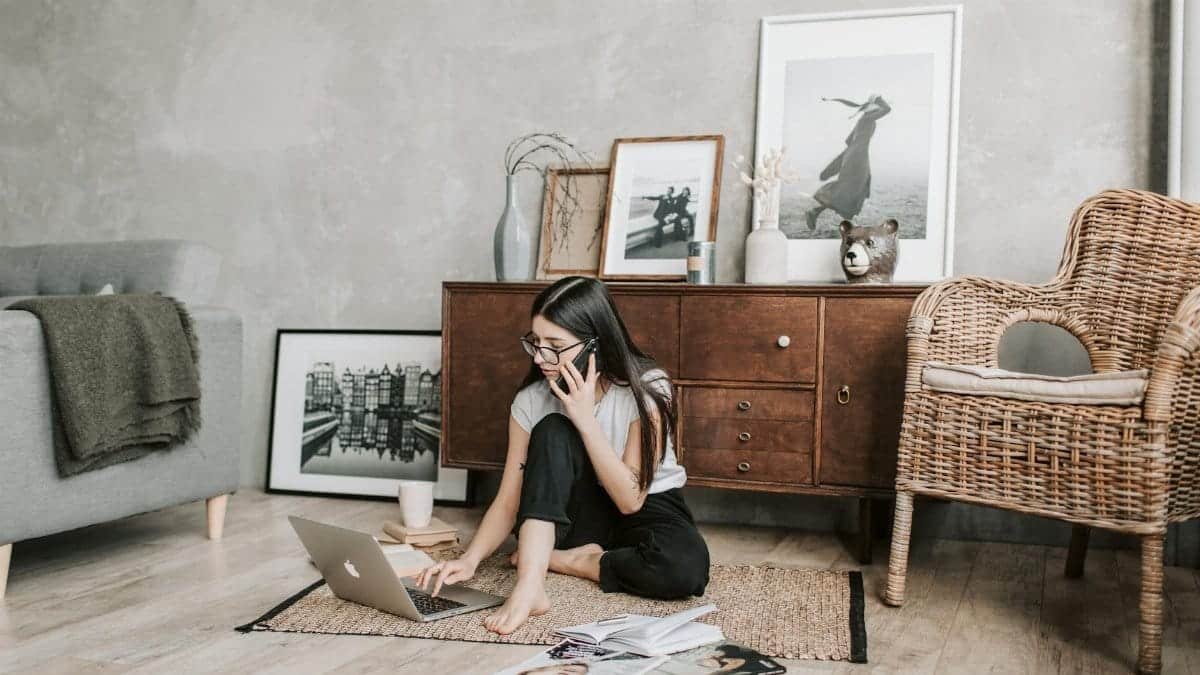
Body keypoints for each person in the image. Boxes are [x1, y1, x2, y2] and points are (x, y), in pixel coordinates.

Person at [416, 276, 709, 635]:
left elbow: (631, 500)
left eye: (555, 345)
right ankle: (530, 585)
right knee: (554, 427)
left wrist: (586, 420)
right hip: (576, 510)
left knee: (684, 569)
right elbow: (509, 500)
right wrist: (470, 559)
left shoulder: (647, 390)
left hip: (648, 504)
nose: (540, 356)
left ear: (594, 343)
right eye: (535, 342)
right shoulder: (531, 401)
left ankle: (573, 560)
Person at [804, 94, 892, 230]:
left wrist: (849, 154)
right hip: (858, 156)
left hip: (855, 155)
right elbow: (887, 109)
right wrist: (879, 99)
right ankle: (818, 213)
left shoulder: (863, 120)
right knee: (854, 188)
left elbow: (848, 141)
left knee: (853, 187)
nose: (879, 111)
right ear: (874, 109)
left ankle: (818, 213)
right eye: (877, 108)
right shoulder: (868, 119)